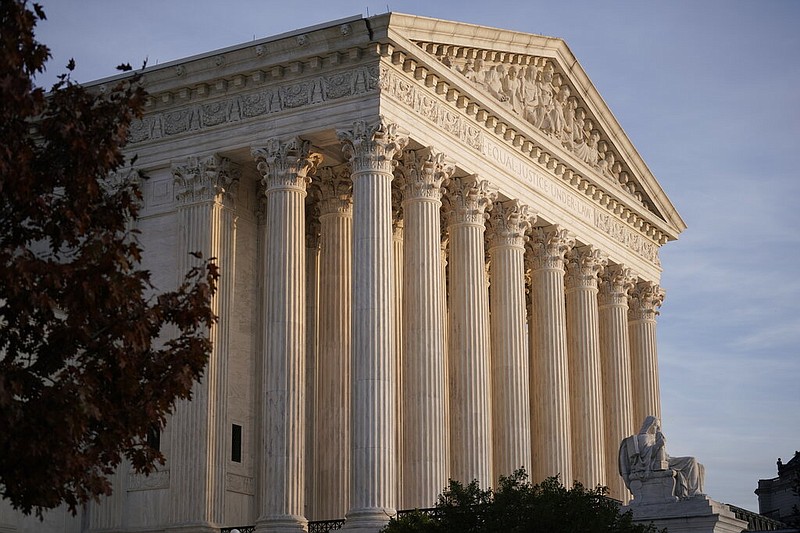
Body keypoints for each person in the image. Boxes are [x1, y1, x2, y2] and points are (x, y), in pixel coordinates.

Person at [619, 416, 705, 499]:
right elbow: (646, 455)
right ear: (650, 425)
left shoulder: (652, 437)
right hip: (652, 464)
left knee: (699, 466)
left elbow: (664, 455)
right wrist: (659, 445)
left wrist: (664, 450)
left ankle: (694, 491)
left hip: (665, 460)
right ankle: (693, 492)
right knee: (691, 461)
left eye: (658, 427)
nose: (657, 429)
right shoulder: (643, 437)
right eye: (656, 426)